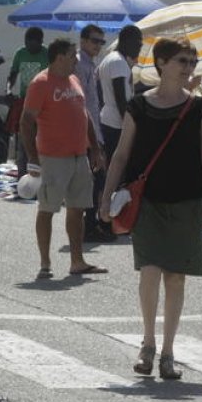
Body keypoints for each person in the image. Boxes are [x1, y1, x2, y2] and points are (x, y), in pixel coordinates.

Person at [100, 38, 202, 380]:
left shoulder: (198, 108)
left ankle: (168, 351)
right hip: (148, 201)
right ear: (162, 63)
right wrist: (106, 195)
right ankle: (148, 344)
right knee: (150, 271)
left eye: (193, 62)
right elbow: (121, 155)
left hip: (187, 201)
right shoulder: (138, 106)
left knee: (176, 277)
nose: (189, 68)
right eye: (183, 61)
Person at [21, 38, 108, 278]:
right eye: (72, 55)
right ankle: (45, 263)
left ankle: (77, 261)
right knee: (47, 209)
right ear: (59, 57)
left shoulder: (74, 79)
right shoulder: (41, 83)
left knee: (77, 209)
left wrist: (95, 148)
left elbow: (85, 114)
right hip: (52, 157)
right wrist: (32, 157)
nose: (76, 60)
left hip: (79, 155)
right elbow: (27, 121)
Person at [75, 25, 111, 242]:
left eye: (101, 42)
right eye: (94, 41)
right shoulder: (80, 64)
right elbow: (82, 103)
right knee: (94, 181)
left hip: (94, 128)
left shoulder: (90, 64)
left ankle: (91, 223)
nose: (98, 45)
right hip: (86, 132)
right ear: (83, 40)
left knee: (97, 180)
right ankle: (88, 226)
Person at [7, 27, 49, 174]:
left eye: (32, 44)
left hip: (43, 104)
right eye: (26, 43)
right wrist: (8, 89)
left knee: (40, 140)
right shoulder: (20, 53)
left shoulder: (47, 54)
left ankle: (40, 173)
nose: (28, 47)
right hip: (25, 102)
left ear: (40, 42)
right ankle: (22, 173)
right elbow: (12, 74)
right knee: (23, 139)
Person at [99, 25, 143, 159]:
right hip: (117, 124)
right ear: (126, 41)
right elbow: (120, 97)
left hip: (108, 118)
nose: (139, 48)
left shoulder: (110, 58)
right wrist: (128, 125)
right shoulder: (118, 62)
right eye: (138, 44)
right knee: (118, 164)